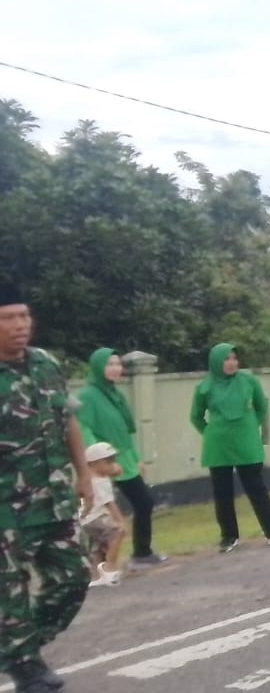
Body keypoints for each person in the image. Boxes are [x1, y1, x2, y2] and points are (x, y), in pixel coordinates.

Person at [0, 280, 93, 693]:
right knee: (10, 594)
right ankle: (26, 669)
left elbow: (68, 418)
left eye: (24, 316)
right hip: (6, 508)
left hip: (53, 498)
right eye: (8, 318)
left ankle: (20, 650)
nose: (20, 325)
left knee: (74, 578)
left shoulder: (45, 363)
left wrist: (85, 472)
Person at [190, 343, 270, 552]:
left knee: (257, 489)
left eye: (234, 358)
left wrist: (252, 425)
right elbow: (196, 417)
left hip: (246, 442)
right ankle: (229, 536)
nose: (231, 363)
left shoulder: (249, 382)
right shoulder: (204, 388)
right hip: (218, 445)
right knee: (223, 493)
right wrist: (209, 432)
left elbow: (262, 407)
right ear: (217, 362)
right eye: (226, 359)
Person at [74, 347, 167, 569]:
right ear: (97, 368)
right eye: (109, 364)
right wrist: (100, 459)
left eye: (117, 364)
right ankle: (132, 556)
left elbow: (127, 431)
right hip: (103, 463)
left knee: (140, 503)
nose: (115, 368)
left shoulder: (116, 395)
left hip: (123, 459)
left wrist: (137, 458)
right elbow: (83, 429)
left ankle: (138, 553)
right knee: (101, 511)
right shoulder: (87, 396)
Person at [78, 443, 126, 588]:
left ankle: (97, 575)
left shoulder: (89, 480)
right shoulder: (99, 481)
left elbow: (117, 471)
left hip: (85, 520)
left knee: (97, 546)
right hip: (96, 517)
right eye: (108, 462)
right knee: (117, 532)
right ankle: (110, 565)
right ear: (93, 464)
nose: (112, 465)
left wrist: (113, 469)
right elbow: (109, 503)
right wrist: (120, 521)